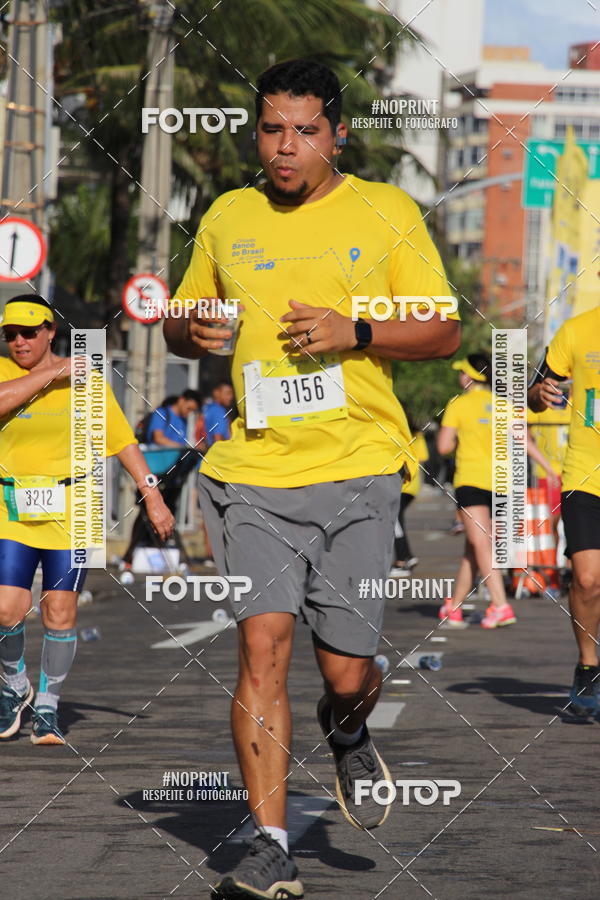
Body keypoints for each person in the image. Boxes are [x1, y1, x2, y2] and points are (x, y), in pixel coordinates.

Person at [164, 58, 460, 900]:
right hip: (252, 470)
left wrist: (354, 329)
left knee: (345, 671)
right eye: (270, 130)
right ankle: (268, 844)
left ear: (337, 134)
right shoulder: (228, 215)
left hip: (360, 467)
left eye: (303, 131)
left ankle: (348, 723)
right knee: (262, 646)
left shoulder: (386, 211)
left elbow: (440, 330)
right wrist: (195, 328)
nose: (285, 148)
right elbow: (185, 325)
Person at [0, 295, 174, 745]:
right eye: (10, 334)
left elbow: (123, 442)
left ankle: (48, 705)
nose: (18, 341)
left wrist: (152, 496)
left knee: (60, 611)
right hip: (11, 506)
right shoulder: (7, 372)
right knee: (6, 608)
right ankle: (14, 687)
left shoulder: (88, 383)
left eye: (29, 332)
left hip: (73, 508)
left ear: (50, 331)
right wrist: (53, 372)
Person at [437, 353, 558, 629]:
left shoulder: (459, 404)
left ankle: (501, 605)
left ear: (470, 378)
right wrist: (549, 469)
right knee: (474, 545)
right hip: (500, 483)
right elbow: (525, 441)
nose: (460, 377)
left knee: (481, 544)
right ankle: (454, 607)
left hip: (470, 481)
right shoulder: (504, 404)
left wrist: (465, 439)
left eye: (462, 372)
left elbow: (443, 447)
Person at [528, 307, 600, 717]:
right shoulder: (576, 330)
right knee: (588, 580)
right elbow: (536, 393)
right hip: (585, 475)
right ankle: (588, 666)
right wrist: (539, 395)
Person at [391, 422, 428, 575]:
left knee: (395, 521)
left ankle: (402, 559)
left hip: (403, 485)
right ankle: (407, 557)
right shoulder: (417, 434)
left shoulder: (396, 431)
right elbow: (424, 456)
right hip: (413, 484)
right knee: (397, 519)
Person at [202, 381, 235, 448]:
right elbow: (217, 439)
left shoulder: (209, 408)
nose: (231, 397)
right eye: (228, 393)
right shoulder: (219, 411)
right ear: (216, 393)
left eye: (232, 394)